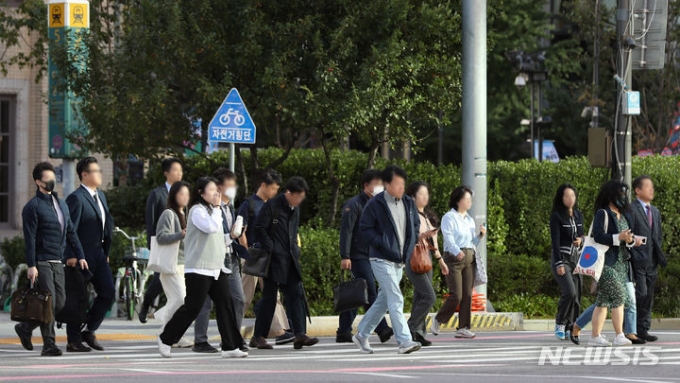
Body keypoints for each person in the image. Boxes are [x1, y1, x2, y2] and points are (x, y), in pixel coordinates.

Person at [158, 177, 246, 358]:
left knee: (225, 305)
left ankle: (230, 347)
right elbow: (210, 228)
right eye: (212, 190)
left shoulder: (214, 210)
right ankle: (166, 339)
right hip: (198, 269)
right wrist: (216, 208)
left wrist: (232, 235)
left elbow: (218, 239)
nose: (216, 193)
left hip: (216, 268)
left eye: (217, 190)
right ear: (201, 192)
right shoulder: (197, 211)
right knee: (192, 307)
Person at [15, 162, 88, 356]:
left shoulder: (61, 204)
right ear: (38, 182)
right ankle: (49, 344)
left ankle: (26, 327)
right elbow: (29, 238)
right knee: (48, 302)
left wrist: (80, 255)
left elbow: (71, 231)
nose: (51, 181)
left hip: (59, 260)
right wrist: (31, 265)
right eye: (47, 178)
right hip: (42, 260)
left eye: (53, 177)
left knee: (60, 302)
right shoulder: (32, 207)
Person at [353, 165, 422, 355]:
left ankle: (361, 334)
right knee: (396, 297)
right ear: (387, 184)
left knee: (384, 301)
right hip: (380, 258)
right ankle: (405, 340)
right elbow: (365, 228)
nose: (401, 187)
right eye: (397, 184)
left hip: (399, 260)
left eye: (403, 184)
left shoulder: (408, 202)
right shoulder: (376, 204)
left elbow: (415, 225)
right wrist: (380, 243)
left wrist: (411, 243)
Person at [249, 176, 319, 350]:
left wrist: (295, 250)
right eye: (298, 196)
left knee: (296, 294)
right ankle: (258, 336)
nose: (300, 200)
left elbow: (293, 232)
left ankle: (300, 334)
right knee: (270, 298)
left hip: (290, 260)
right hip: (273, 261)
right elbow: (259, 229)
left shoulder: (295, 209)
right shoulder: (271, 206)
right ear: (289, 193)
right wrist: (271, 247)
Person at [237, 169, 294, 345]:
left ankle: (278, 330)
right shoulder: (249, 204)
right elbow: (240, 231)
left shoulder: (274, 205)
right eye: (273, 188)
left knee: (272, 295)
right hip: (252, 255)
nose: (275, 192)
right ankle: (231, 330)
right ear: (263, 185)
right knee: (244, 297)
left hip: (270, 256)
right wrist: (247, 252)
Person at [336, 170, 394, 344]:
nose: (379, 187)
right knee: (370, 290)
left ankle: (343, 331)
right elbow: (346, 231)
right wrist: (345, 255)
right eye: (375, 184)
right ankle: (382, 328)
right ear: (366, 185)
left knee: (358, 292)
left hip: (374, 255)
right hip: (358, 255)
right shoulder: (353, 205)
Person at [64, 157, 115, 352]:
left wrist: (106, 252)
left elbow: (105, 227)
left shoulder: (100, 196)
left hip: (99, 255)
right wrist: (71, 254)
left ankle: (89, 330)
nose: (99, 174)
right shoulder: (76, 198)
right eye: (96, 171)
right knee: (78, 299)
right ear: (84, 175)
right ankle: (73, 340)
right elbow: (69, 229)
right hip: (80, 256)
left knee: (108, 292)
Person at [588, 180, 641, 347]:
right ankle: (619, 335)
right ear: (611, 194)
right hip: (606, 263)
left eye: (624, 193)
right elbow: (597, 236)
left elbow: (626, 238)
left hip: (621, 264)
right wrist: (618, 237)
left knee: (603, 301)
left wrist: (631, 240)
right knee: (619, 295)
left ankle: (595, 337)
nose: (623, 197)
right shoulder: (602, 213)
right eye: (620, 193)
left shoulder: (624, 215)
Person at [431, 186, 486, 339]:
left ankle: (463, 327)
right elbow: (448, 238)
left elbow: (471, 242)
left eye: (470, 199)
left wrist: (480, 236)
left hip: (469, 258)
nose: (470, 202)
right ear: (457, 200)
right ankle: (438, 319)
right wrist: (457, 251)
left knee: (468, 294)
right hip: (454, 259)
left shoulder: (469, 219)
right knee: (457, 295)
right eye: (467, 199)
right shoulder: (449, 217)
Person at [405, 181, 449, 347]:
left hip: (427, 258)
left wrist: (441, 261)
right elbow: (407, 238)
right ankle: (410, 326)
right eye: (421, 194)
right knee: (429, 297)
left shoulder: (428, 217)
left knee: (420, 297)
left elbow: (434, 243)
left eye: (426, 194)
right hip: (413, 257)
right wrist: (422, 235)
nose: (424, 197)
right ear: (412, 197)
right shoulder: (409, 215)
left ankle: (418, 334)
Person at [140, 158, 183, 323]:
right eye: (175, 170)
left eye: (180, 170)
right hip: (163, 243)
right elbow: (150, 221)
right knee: (160, 278)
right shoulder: (157, 194)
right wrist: (152, 245)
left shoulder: (183, 193)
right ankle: (146, 305)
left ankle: (164, 312)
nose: (179, 173)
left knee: (175, 281)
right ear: (166, 173)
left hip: (180, 244)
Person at [153, 181, 194, 348]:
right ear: (173, 196)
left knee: (178, 301)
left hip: (184, 264)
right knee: (180, 299)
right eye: (181, 194)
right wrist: (180, 234)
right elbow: (160, 237)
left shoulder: (186, 213)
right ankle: (166, 334)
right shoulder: (169, 214)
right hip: (172, 264)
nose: (184, 197)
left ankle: (174, 335)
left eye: (186, 194)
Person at [213, 168, 248, 351]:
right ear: (219, 187)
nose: (233, 188)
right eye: (230, 185)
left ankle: (234, 337)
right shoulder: (211, 207)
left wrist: (239, 233)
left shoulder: (230, 208)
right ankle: (223, 339)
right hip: (216, 259)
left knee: (238, 299)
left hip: (231, 258)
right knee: (217, 302)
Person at [628, 175, 667, 342]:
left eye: (652, 186)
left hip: (652, 260)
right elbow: (627, 233)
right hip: (637, 259)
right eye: (647, 186)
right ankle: (630, 329)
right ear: (637, 190)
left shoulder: (656, 211)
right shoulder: (631, 209)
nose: (651, 190)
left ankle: (643, 329)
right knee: (640, 293)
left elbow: (657, 236)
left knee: (648, 295)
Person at [549, 184, 584, 340]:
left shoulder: (578, 215)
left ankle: (572, 326)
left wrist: (581, 241)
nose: (570, 199)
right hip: (563, 259)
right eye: (566, 196)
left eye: (572, 196)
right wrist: (558, 264)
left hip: (577, 259)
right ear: (561, 198)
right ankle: (560, 323)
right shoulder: (556, 216)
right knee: (569, 292)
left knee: (577, 295)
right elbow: (555, 242)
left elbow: (582, 235)